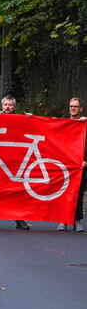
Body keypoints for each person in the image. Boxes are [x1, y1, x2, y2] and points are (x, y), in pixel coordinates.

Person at [0, 96, 33, 230]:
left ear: (14, 107)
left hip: (16, 159)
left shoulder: (21, 119)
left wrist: (31, 119)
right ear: (1, 106)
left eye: (10, 105)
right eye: (5, 104)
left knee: (17, 192)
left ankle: (19, 220)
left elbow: (32, 127)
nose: (7, 107)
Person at [59, 97, 86, 231]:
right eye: (71, 106)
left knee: (78, 194)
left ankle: (77, 221)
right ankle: (63, 220)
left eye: (75, 106)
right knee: (63, 192)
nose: (73, 108)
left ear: (81, 109)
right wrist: (30, 117)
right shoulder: (63, 123)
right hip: (64, 164)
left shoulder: (84, 124)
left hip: (80, 165)